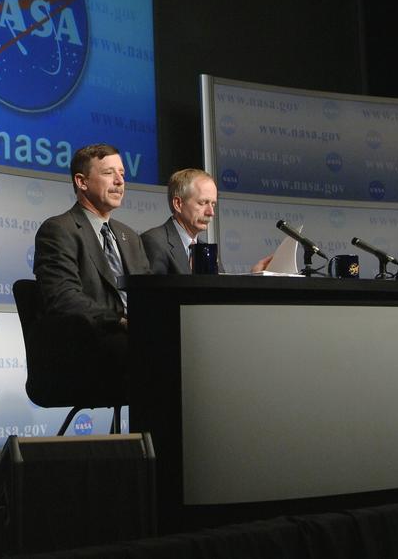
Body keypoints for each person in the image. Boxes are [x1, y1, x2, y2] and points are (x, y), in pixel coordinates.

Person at [33, 144, 150, 389]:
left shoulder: (130, 237)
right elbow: (64, 298)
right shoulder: (59, 230)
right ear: (81, 182)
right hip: (91, 346)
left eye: (122, 174)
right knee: (164, 358)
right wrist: (120, 320)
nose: (120, 181)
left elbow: (149, 294)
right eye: (109, 173)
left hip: (138, 338)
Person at [141, 168, 272, 274]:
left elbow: (221, 295)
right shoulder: (154, 242)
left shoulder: (205, 250)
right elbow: (153, 297)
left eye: (213, 204)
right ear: (178, 204)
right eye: (203, 203)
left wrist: (254, 277)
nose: (211, 212)